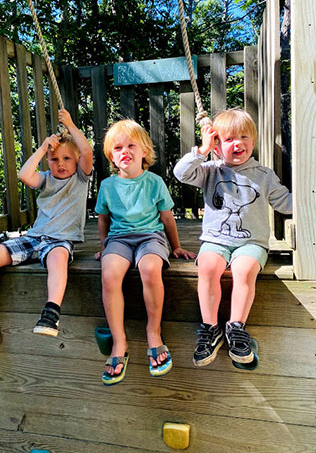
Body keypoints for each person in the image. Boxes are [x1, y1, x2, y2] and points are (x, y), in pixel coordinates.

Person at [0, 109, 93, 338]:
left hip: (59, 240)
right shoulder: (46, 178)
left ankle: (51, 311)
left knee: (58, 259)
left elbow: (86, 150)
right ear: (47, 160)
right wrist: (43, 147)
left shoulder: (80, 178)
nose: (60, 164)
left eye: (66, 158)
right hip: (33, 238)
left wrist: (71, 125)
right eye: (54, 159)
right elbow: (25, 175)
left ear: (76, 161)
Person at [174, 108, 292, 367]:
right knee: (207, 266)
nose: (238, 143)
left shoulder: (263, 175)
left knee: (245, 269)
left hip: (251, 242)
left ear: (253, 140)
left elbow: (286, 202)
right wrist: (202, 150)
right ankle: (210, 327)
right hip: (216, 241)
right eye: (228, 139)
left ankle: (236, 327)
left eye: (244, 137)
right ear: (217, 144)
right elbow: (181, 173)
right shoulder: (210, 171)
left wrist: (310, 202)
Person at [95, 119, 195, 385]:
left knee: (151, 269)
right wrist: (104, 247)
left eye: (131, 145)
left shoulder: (154, 182)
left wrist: (175, 246)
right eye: (117, 147)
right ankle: (120, 342)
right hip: (119, 240)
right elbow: (103, 219)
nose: (124, 151)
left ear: (144, 151)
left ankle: (154, 333)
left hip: (150, 237)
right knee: (109, 274)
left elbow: (168, 218)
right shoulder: (108, 186)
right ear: (111, 156)